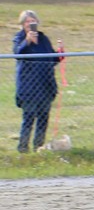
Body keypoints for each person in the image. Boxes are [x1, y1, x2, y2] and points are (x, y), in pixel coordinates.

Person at [13, 10, 61, 153]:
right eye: (27, 21)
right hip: (28, 87)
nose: (30, 24)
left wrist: (60, 53)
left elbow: (52, 60)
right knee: (28, 118)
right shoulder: (19, 38)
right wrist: (27, 41)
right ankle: (23, 149)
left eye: (33, 21)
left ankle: (38, 148)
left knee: (43, 119)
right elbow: (18, 54)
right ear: (22, 24)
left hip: (45, 85)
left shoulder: (43, 38)